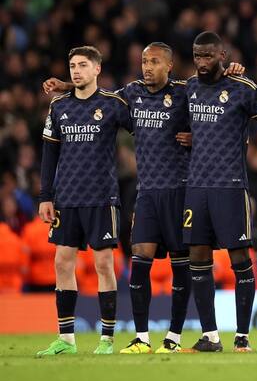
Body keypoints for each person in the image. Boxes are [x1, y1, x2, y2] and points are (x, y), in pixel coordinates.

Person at [43, 43, 244, 353]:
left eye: (154, 61)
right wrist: (68, 85)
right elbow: (97, 95)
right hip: (147, 192)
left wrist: (230, 74)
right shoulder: (131, 93)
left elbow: (215, 115)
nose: (147, 66)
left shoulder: (184, 91)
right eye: (144, 61)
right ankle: (142, 338)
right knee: (139, 261)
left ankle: (174, 338)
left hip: (179, 190)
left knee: (181, 266)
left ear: (169, 65)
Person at [36, 46, 132, 356]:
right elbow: (49, 155)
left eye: (82, 65)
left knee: (103, 263)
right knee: (62, 262)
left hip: (102, 198)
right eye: (72, 65)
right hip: (67, 199)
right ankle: (66, 340)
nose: (76, 71)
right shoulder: (59, 107)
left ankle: (106, 339)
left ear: (96, 70)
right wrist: (46, 197)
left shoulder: (113, 105)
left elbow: (143, 131)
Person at [182, 31, 257, 352]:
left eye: (207, 56)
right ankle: (210, 336)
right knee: (198, 257)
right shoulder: (189, 87)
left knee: (240, 257)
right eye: (197, 55)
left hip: (230, 187)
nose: (201, 62)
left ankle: (242, 335)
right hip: (197, 186)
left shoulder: (242, 88)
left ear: (222, 56)